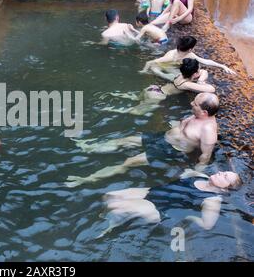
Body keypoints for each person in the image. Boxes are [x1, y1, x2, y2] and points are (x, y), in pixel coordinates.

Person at [67, 93, 219, 187]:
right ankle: (88, 147)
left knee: (129, 162)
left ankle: (87, 179)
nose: (192, 103)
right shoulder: (197, 115)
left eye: (195, 103)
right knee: (125, 140)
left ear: (204, 112)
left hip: (169, 150)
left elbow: (205, 156)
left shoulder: (208, 130)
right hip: (162, 138)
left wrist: (194, 173)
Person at [99, 170, 242, 235]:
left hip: (156, 208)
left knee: (114, 206)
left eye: (225, 177)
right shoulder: (200, 176)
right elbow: (182, 173)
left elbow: (207, 225)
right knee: (109, 196)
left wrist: (189, 217)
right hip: (151, 191)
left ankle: (109, 227)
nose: (220, 173)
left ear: (225, 189)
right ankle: (114, 221)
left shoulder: (212, 200)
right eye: (224, 171)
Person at [102, 58, 215, 115]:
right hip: (156, 96)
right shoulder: (187, 84)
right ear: (194, 74)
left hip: (153, 88)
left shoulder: (180, 75)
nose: (201, 71)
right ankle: (111, 109)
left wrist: (200, 77)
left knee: (136, 98)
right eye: (198, 70)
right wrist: (201, 81)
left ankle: (114, 94)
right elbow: (211, 89)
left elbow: (204, 71)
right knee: (135, 112)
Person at [141, 36, 236, 80]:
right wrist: (144, 71)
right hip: (164, 66)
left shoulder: (190, 55)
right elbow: (150, 62)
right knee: (157, 69)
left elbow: (206, 61)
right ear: (190, 49)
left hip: (174, 67)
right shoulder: (171, 56)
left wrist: (223, 66)